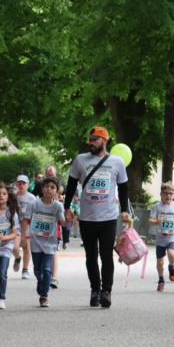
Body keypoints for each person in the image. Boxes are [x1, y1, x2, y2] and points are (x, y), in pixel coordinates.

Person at [64, 126, 132, 309]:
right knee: (91, 256)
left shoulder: (117, 162)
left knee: (106, 255)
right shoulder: (80, 160)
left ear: (104, 140)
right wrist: (66, 207)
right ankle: (95, 289)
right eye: (90, 139)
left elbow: (123, 188)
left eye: (95, 139)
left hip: (108, 217)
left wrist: (125, 210)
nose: (91, 142)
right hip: (87, 217)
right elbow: (71, 185)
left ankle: (106, 291)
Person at [24, 177, 65, 308]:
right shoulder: (34, 204)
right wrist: (23, 237)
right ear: (42, 189)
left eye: (52, 187)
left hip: (50, 243)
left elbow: (63, 222)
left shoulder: (58, 206)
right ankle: (40, 282)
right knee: (37, 270)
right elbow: (25, 220)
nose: (49, 189)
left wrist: (68, 219)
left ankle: (44, 296)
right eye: (46, 186)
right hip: (36, 242)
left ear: (57, 192)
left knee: (47, 269)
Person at [148, 182, 174, 292]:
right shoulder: (157, 206)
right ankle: (161, 280)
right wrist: (156, 221)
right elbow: (150, 220)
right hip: (160, 238)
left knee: (171, 253)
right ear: (161, 194)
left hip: (172, 236)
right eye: (165, 193)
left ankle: (171, 266)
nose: (168, 196)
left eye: (171, 193)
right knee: (160, 262)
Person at [12, 174, 36, 279]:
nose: (21, 185)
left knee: (26, 247)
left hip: (28, 226)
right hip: (15, 226)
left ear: (27, 185)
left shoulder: (32, 198)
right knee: (15, 247)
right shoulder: (13, 196)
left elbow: (36, 213)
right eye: (19, 183)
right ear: (16, 184)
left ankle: (25, 270)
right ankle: (17, 257)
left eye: (23, 183)